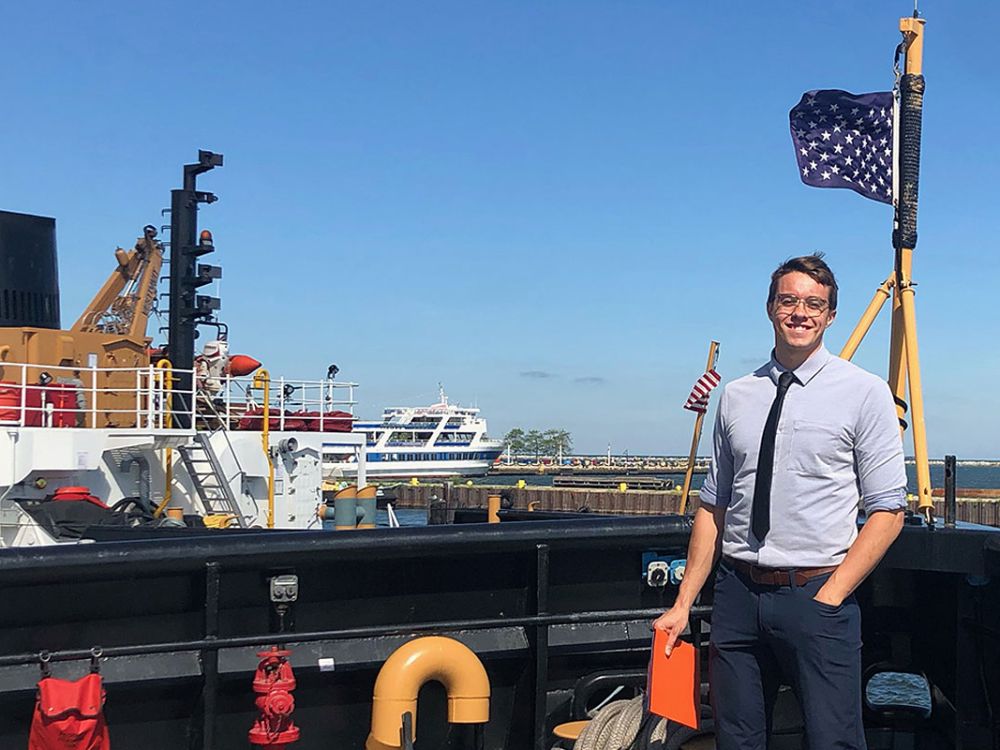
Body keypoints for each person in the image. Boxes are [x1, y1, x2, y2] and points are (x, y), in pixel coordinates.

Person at [654, 254, 906, 750]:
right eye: (789, 300)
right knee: (737, 738)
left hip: (816, 594)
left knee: (833, 740)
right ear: (770, 308)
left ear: (831, 316)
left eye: (815, 304)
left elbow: (888, 510)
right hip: (737, 596)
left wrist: (831, 595)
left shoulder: (864, 393)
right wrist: (683, 604)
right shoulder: (737, 396)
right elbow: (714, 507)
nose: (801, 312)